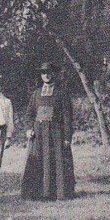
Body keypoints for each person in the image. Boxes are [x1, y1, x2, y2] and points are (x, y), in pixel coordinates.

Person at [21, 62, 76, 201]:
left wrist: (67, 137)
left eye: (49, 72)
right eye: (43, 73)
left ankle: (58, 193)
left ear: (54, 74)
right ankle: (38, 194)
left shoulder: (61, 93)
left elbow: (67, 118)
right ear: (41, 75)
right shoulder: (36, 94)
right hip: (39, 135)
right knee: (38, 161)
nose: (46, 75)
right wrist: (29, 129)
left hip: (56, 135)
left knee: (56, 162)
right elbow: (29, 115)